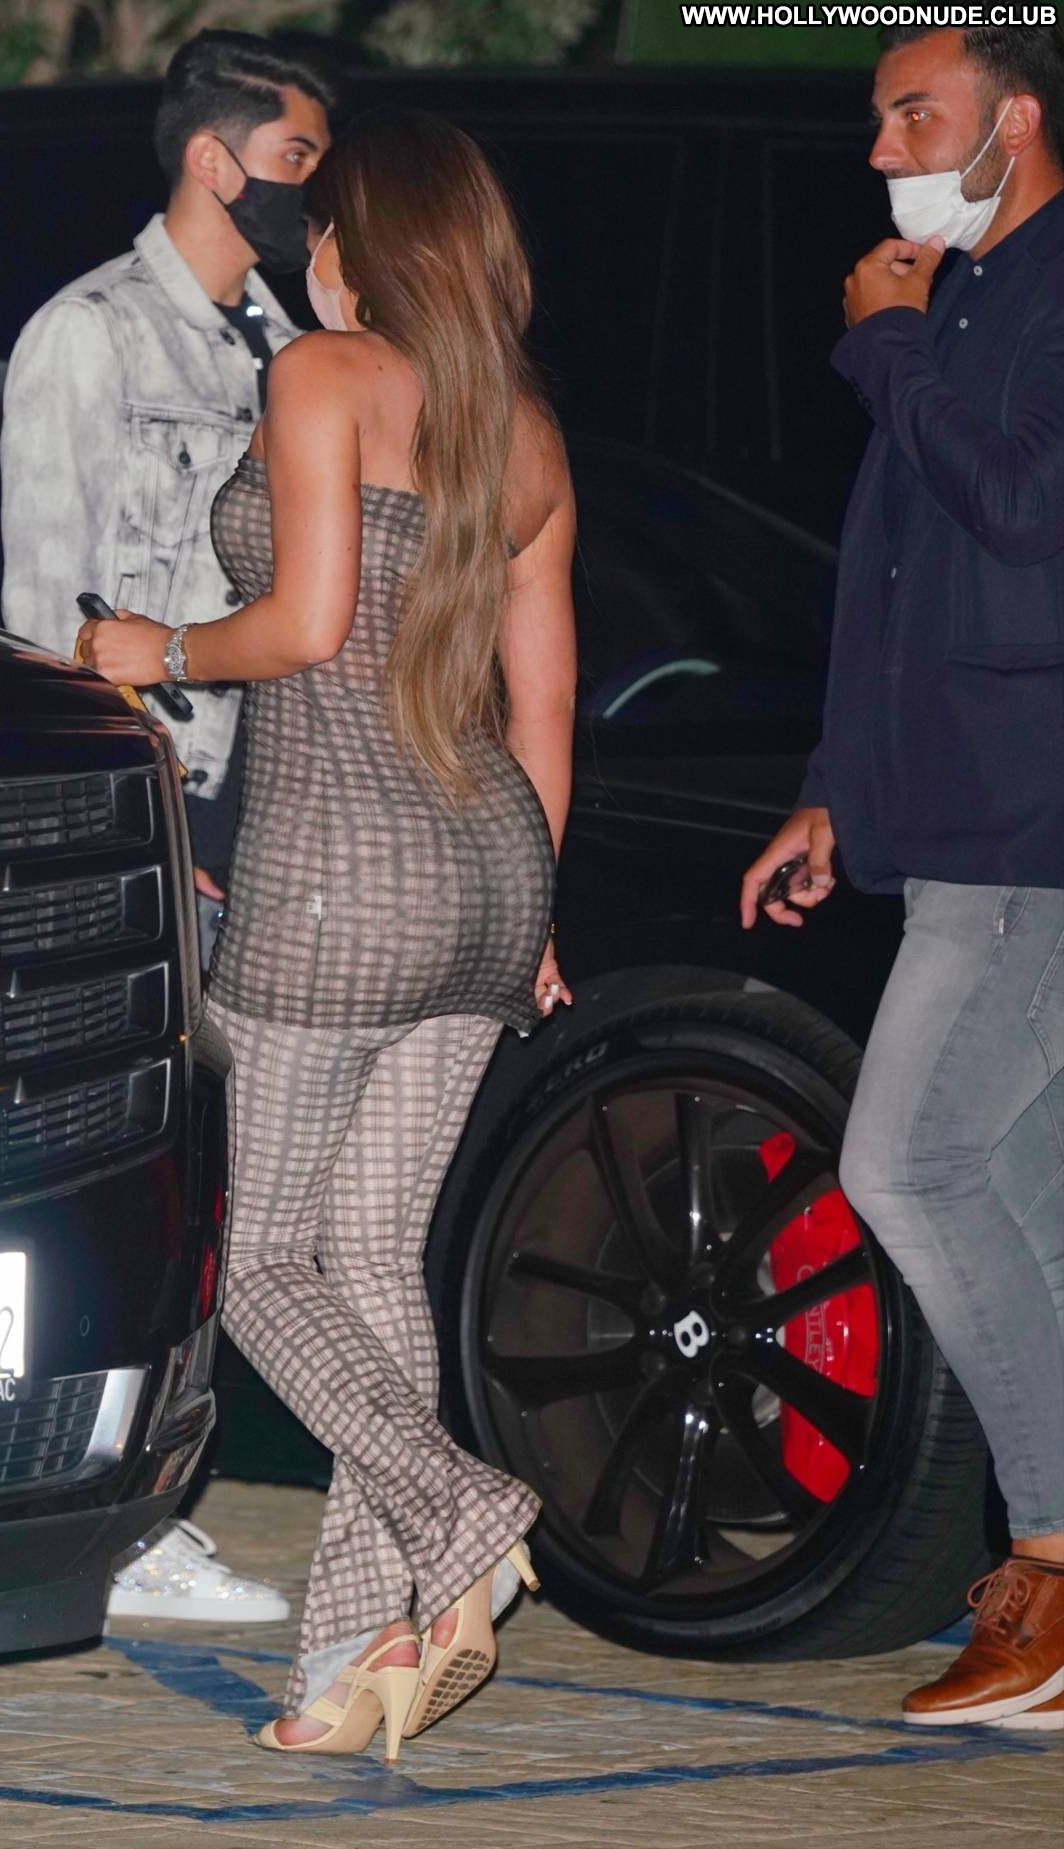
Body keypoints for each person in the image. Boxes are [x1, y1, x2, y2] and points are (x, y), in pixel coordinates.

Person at [77, 107, 577, 1757]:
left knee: (263, 1265)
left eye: (324, 231)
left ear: (363, 243)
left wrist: (152, 649)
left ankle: (462, 1506)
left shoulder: (324, 375)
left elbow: (303, 626)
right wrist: (534, 914)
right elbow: (545, 709)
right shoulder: (526, 431)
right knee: (369, 1265)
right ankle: (354, 1661)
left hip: (338, 880)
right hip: (489, 873)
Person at [741, 23, 1064, 1732]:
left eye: (915, 116)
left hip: (1031, 830)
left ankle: (1052, 1571)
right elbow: (898, 576)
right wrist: (831, 794)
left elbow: (1028, 514)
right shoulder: (961, 295)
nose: (882, 151)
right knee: (1020, 1196)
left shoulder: (1013, 300)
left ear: (1020, 121)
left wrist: (885, 349)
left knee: (909, 1162)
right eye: (877, 119)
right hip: (950, 819)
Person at [1, 26, 337, 1626]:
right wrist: (140, 818)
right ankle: (120, 1526)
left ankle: (147, 1501)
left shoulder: (293, 335)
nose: (313, 191)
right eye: (294, 160)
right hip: (168, 797)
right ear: (216, 160)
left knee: (239, 1180)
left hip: (289, 801)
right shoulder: (88, 335)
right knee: (155, 1169)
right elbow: (45, 617)